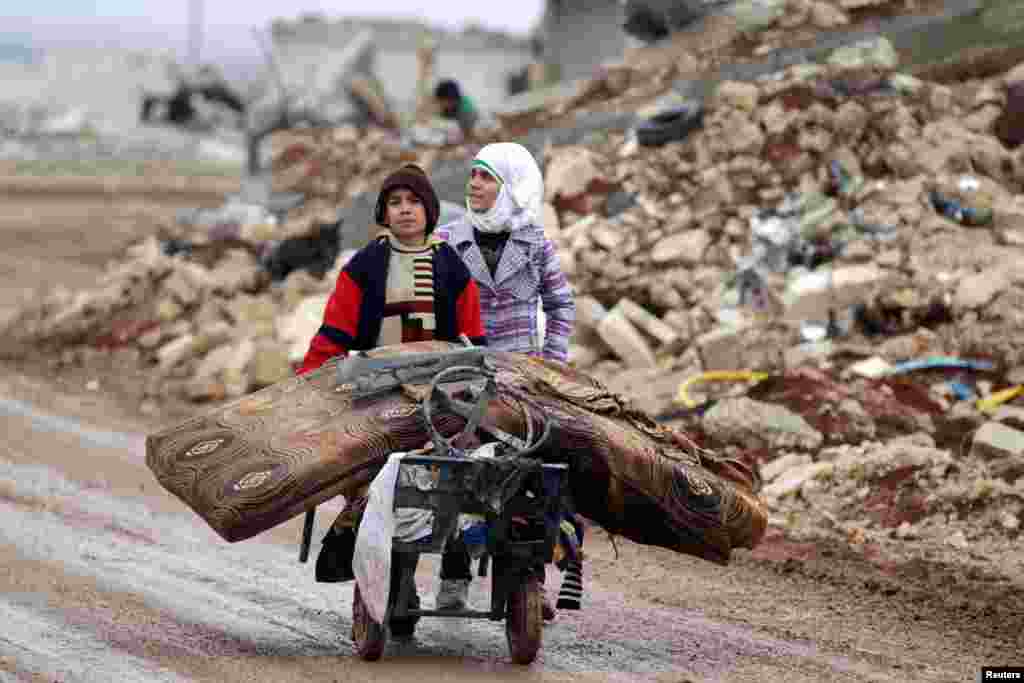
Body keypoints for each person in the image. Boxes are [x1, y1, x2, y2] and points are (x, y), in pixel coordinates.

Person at [298, 165, 486, 634]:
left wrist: (475, 385)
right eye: (396, 203)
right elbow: (335, 332)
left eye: (414, 202)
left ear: (429, 210)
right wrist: (308, 381)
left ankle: (454, 574)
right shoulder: (363, 266)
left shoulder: (452, 267)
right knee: (377, 490)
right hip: (375, 399)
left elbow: (473, 339)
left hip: (440, 402)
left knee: (457, 484)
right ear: (383, 212)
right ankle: (397, 584)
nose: (406, 210)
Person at [434, 142, 576, 618]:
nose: (473, 184)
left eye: (485, 176)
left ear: (511, 186)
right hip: (463, 379)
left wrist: (551, 363)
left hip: (523, 382)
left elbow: (560, 306)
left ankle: (527, 579)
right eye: (472, 174)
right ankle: (453, 574)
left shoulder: (535, 243)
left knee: (533, 477)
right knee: (458, 472)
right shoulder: (450, 240)